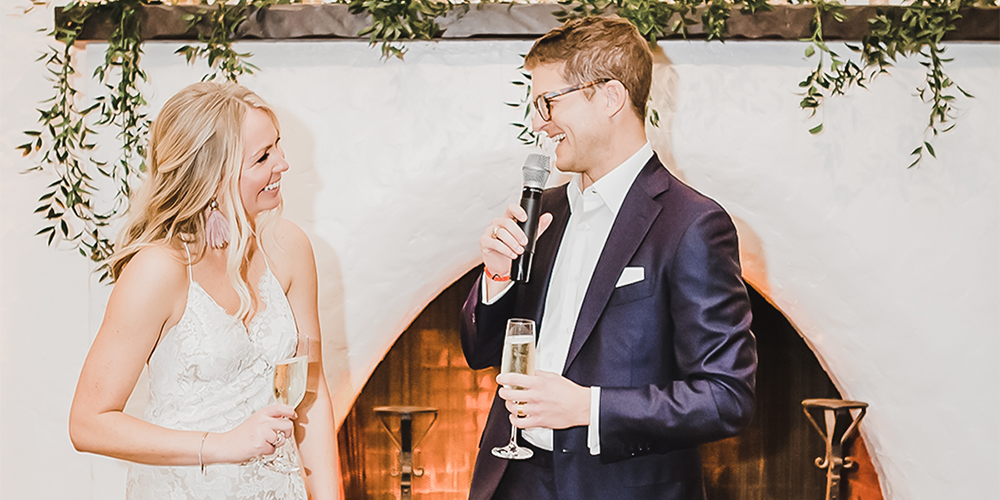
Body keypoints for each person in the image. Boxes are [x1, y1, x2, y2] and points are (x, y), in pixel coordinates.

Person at [460, 16, 757, 500]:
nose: (538, 122)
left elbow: (726, 398)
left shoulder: (693, 224)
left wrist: (587, 407)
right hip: (513, 482)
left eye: (548, 102)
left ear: (611, 97)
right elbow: (478, 352)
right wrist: (495, 275)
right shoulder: (544, 210)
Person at [69, 82, 340, 499]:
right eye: (263, 157)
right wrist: (222, 445)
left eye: (277, 146)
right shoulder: (159, 270)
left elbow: (312, 396)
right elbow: (88, 423)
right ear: (213, 176)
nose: (283, 164)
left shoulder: (289, 249)